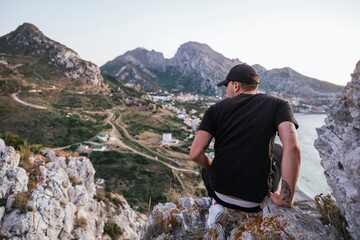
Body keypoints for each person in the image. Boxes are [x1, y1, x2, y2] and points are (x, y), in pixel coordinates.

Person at [189, 63, 301, 228]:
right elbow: (293, 147)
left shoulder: (214, 110)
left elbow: (195, 154)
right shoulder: (279, 105)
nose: (226, 91)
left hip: (219, 192)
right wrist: (286, 198)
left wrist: (212, 165)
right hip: (254, 201)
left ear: (235, 85)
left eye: (226, 86)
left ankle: (216, 205)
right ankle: (275, 196)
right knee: (280, 150)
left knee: (207, 163)